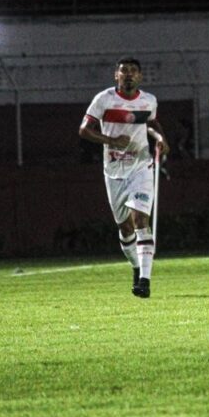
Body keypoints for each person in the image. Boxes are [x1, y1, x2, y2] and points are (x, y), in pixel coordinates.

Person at [79, 58, 168, 298]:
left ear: (140, 76)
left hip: (141, 167)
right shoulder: (104, 99)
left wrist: (160, 138)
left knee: (141, 220)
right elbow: (84, 130)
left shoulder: (148, 101)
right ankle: (136, 267)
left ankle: (145, 280)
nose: (128, 75)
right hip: (114, 171)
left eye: (133, 71)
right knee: (125, 227)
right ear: (115, 76)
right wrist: (111, 141)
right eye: (123, 71)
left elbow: (151, 122)